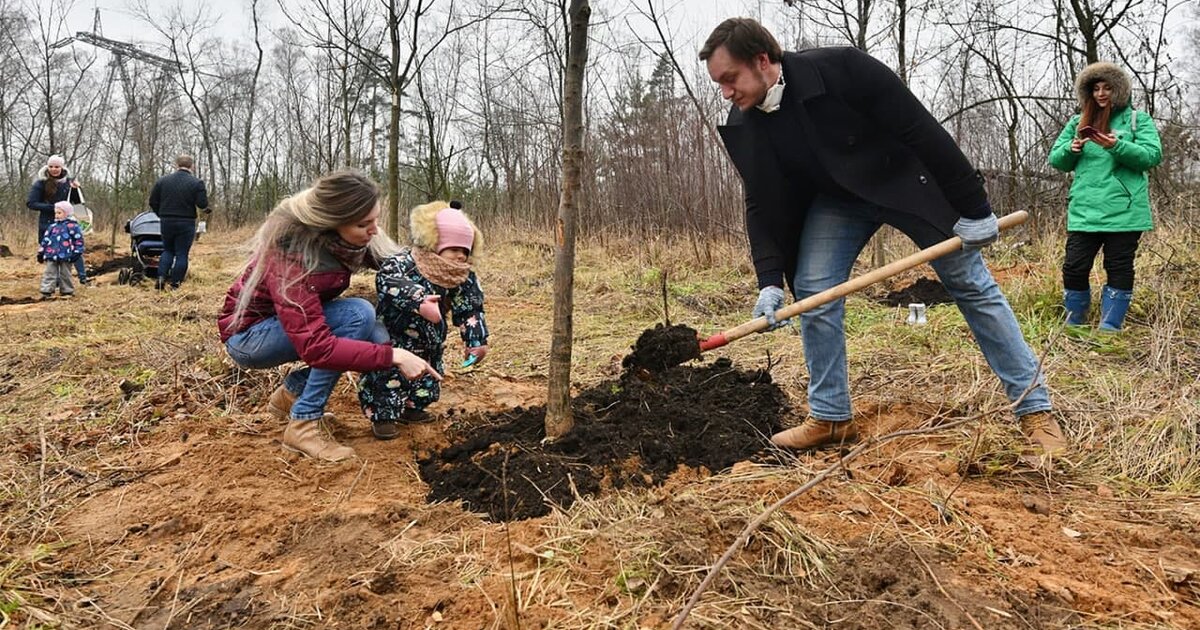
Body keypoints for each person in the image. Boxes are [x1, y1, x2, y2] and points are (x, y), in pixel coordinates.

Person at [700, 18, 1063, 455]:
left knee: (970, 283)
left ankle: (1034, 411)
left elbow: (921, 130)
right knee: (815, 288)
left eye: (729, 78)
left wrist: (975, 208)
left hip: (908, 181)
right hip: (839, 200)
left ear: (762, 61)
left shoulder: (842, 69)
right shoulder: (747, 122)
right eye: (718, 83)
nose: (725, 92)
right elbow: (760, 200)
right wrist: (769, 280)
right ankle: (831, 417)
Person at [218, 170, 440, 462]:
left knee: (377, 334)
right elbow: (319, 348)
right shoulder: (290, 255)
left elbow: (398, 267)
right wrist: (394, 357)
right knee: (359, 315)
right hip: (250, 338)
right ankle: (304, 424)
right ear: (331, 224)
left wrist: (440, 272)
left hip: (290, 326)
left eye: (376, 219)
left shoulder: (352, 239)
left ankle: (293, 392)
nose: (374, 230)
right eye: (364, 224)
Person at [358, 199, 489, 440]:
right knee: (389, 376)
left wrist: (476, 339)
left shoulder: (462, 277)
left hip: (430, 339)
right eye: (454, 249)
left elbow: (470, 308)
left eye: (465, 251)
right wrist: (419, 301)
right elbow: (388, 281)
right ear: (436, 244)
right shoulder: (406, 263)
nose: (460, 257)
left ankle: (413, 408)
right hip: (395, 335)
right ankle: (383, 415)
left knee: (428, 376)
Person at [1048, 63, 1161, 332]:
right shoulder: (1077, 122)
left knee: (1118, 266)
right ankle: (1075, 323)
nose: (1101, 94)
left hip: (1124, 210)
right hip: (1085, 210)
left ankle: (1110, 327)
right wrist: (1071, 149)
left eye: (1107, 88)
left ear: (1118, 90)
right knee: (1074, 267)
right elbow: (1056, 159)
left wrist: (1117, 145)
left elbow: (1152, 156)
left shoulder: (1138, 120)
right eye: (1096, 88)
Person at [149, 154, 210, 290]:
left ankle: (161, 277)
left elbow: (152, 201)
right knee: (182, 253)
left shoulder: (162, 181)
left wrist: (161, 214)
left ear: (176, 165)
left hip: (167, 220)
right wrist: (206, 209)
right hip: (186, 222)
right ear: (192, 166)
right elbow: (202, 204)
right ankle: (175, 284)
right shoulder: (196, 183)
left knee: (168, 250)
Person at [27, 155, 88, 286]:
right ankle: (55, 282)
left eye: (57, 167)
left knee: (74, 251)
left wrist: (77, 190)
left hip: (68, 224)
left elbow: (77, 203)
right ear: (47, 167)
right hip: (48, 225)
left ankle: (83, 278)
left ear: (62, 167)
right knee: (52, 255)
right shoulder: (40, 183)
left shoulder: (69, 182)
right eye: (51, 166)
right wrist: (53, 208)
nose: (54, 169)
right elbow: (31, 203)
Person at [36, 201, 85, 299]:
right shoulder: (52, 227)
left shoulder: (73, 226)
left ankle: (67, 291)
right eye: (55, 213)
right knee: (49, 273)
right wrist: (41, 252)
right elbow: (45, 240)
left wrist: (77, 252)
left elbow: (78, 240)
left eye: (59, 213)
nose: (57, 215)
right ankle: (46, 291)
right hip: (51, 254)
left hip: (66, 255)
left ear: (67, 213)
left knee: (65, 273)